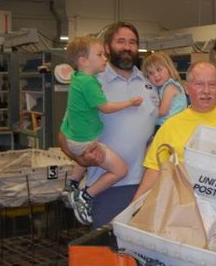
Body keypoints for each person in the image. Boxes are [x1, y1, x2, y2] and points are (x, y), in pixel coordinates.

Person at [59, 22, 159, 228]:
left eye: (132, 42)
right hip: (107, 186)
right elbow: (64, 134)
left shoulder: (149, 84)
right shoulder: (92, 82)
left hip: (144, 185)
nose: (127, 47)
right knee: (107, 253)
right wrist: (81, 158)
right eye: (120, 41)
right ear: (107, 47)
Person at [132, 61, 216, 201]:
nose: (206, 90)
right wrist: (134, 207)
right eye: (199, 84)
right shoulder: (171, 126)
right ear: (187, 88)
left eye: (212, 84)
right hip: (184, 207)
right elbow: (154, 170)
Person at [142, 52, 187, 133]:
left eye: (159, 70)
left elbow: (162, 111)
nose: (155, 75)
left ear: (169, 69)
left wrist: (146, 114)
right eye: (150, 73)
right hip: (168, 126)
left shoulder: (169, 87)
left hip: (169, 127)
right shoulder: (162, 87)